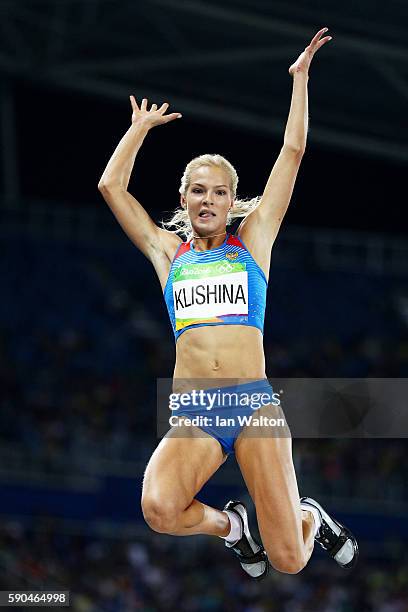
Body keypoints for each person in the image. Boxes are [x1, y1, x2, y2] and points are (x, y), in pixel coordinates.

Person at [98, 28, 358, 579]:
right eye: (198, 190)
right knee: (159, 508)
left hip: (254, 407)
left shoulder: (253, 244)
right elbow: (111, 189)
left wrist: (300, 80)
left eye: (219, 191)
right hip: (196, 412)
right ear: (184, 200)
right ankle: (232, 529)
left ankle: (308, 517)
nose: (208, 200)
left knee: (289, 561)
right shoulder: (169, 254)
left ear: (231, 201)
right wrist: (139, 129)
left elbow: (293, 151)